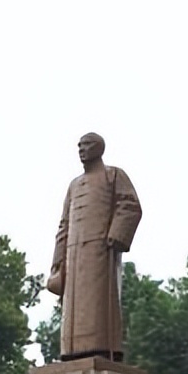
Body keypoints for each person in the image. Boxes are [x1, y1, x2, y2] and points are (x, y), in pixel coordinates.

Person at [47, 133, 142, 361]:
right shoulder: (74, 185)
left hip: (99, 250)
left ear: (100, 148)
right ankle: (72, 350)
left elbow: (130, 205)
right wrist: (58, 262)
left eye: (87, 145)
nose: (82, 149)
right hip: (73, 254)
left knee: (98, 304)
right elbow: (64, 224)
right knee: (72, 308)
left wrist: (116, 234)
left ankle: (100, 346)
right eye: (79, 146)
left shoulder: (113, 175)